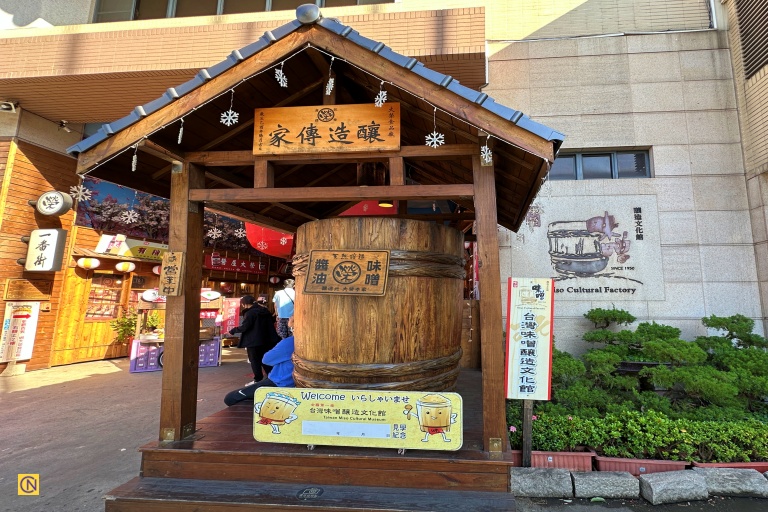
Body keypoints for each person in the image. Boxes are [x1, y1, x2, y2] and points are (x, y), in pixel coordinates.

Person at [224, 316, 295, 406]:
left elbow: (266, 360)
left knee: (230, 398)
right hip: (294, 385)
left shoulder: (290, 342)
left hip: (281, 384)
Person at [229, 295, 280, 386]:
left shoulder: (250, 313)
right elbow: (272, 321)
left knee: (255, 361)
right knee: (266, 359)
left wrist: (233, 331)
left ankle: (258, 379)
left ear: (244, 304)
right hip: (267, 340)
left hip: (254, 341)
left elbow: (245, 327)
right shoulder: (265, 310)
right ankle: (271, 378)